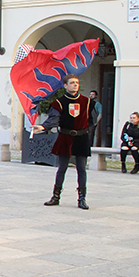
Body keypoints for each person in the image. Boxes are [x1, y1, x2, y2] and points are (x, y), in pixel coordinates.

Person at [31, 74, 99, 210]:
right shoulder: (59, 103)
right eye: (72, 82)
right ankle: (56, 197)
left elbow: (93, 119)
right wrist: (43, 126)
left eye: (77, 83)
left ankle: (82, 198)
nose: (75, 85)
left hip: (81, 138)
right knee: (62, 168)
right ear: (65, 85)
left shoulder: (87, 102)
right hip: (65, 137)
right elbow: (53, 120)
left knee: (81, 169)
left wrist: (83, 129)